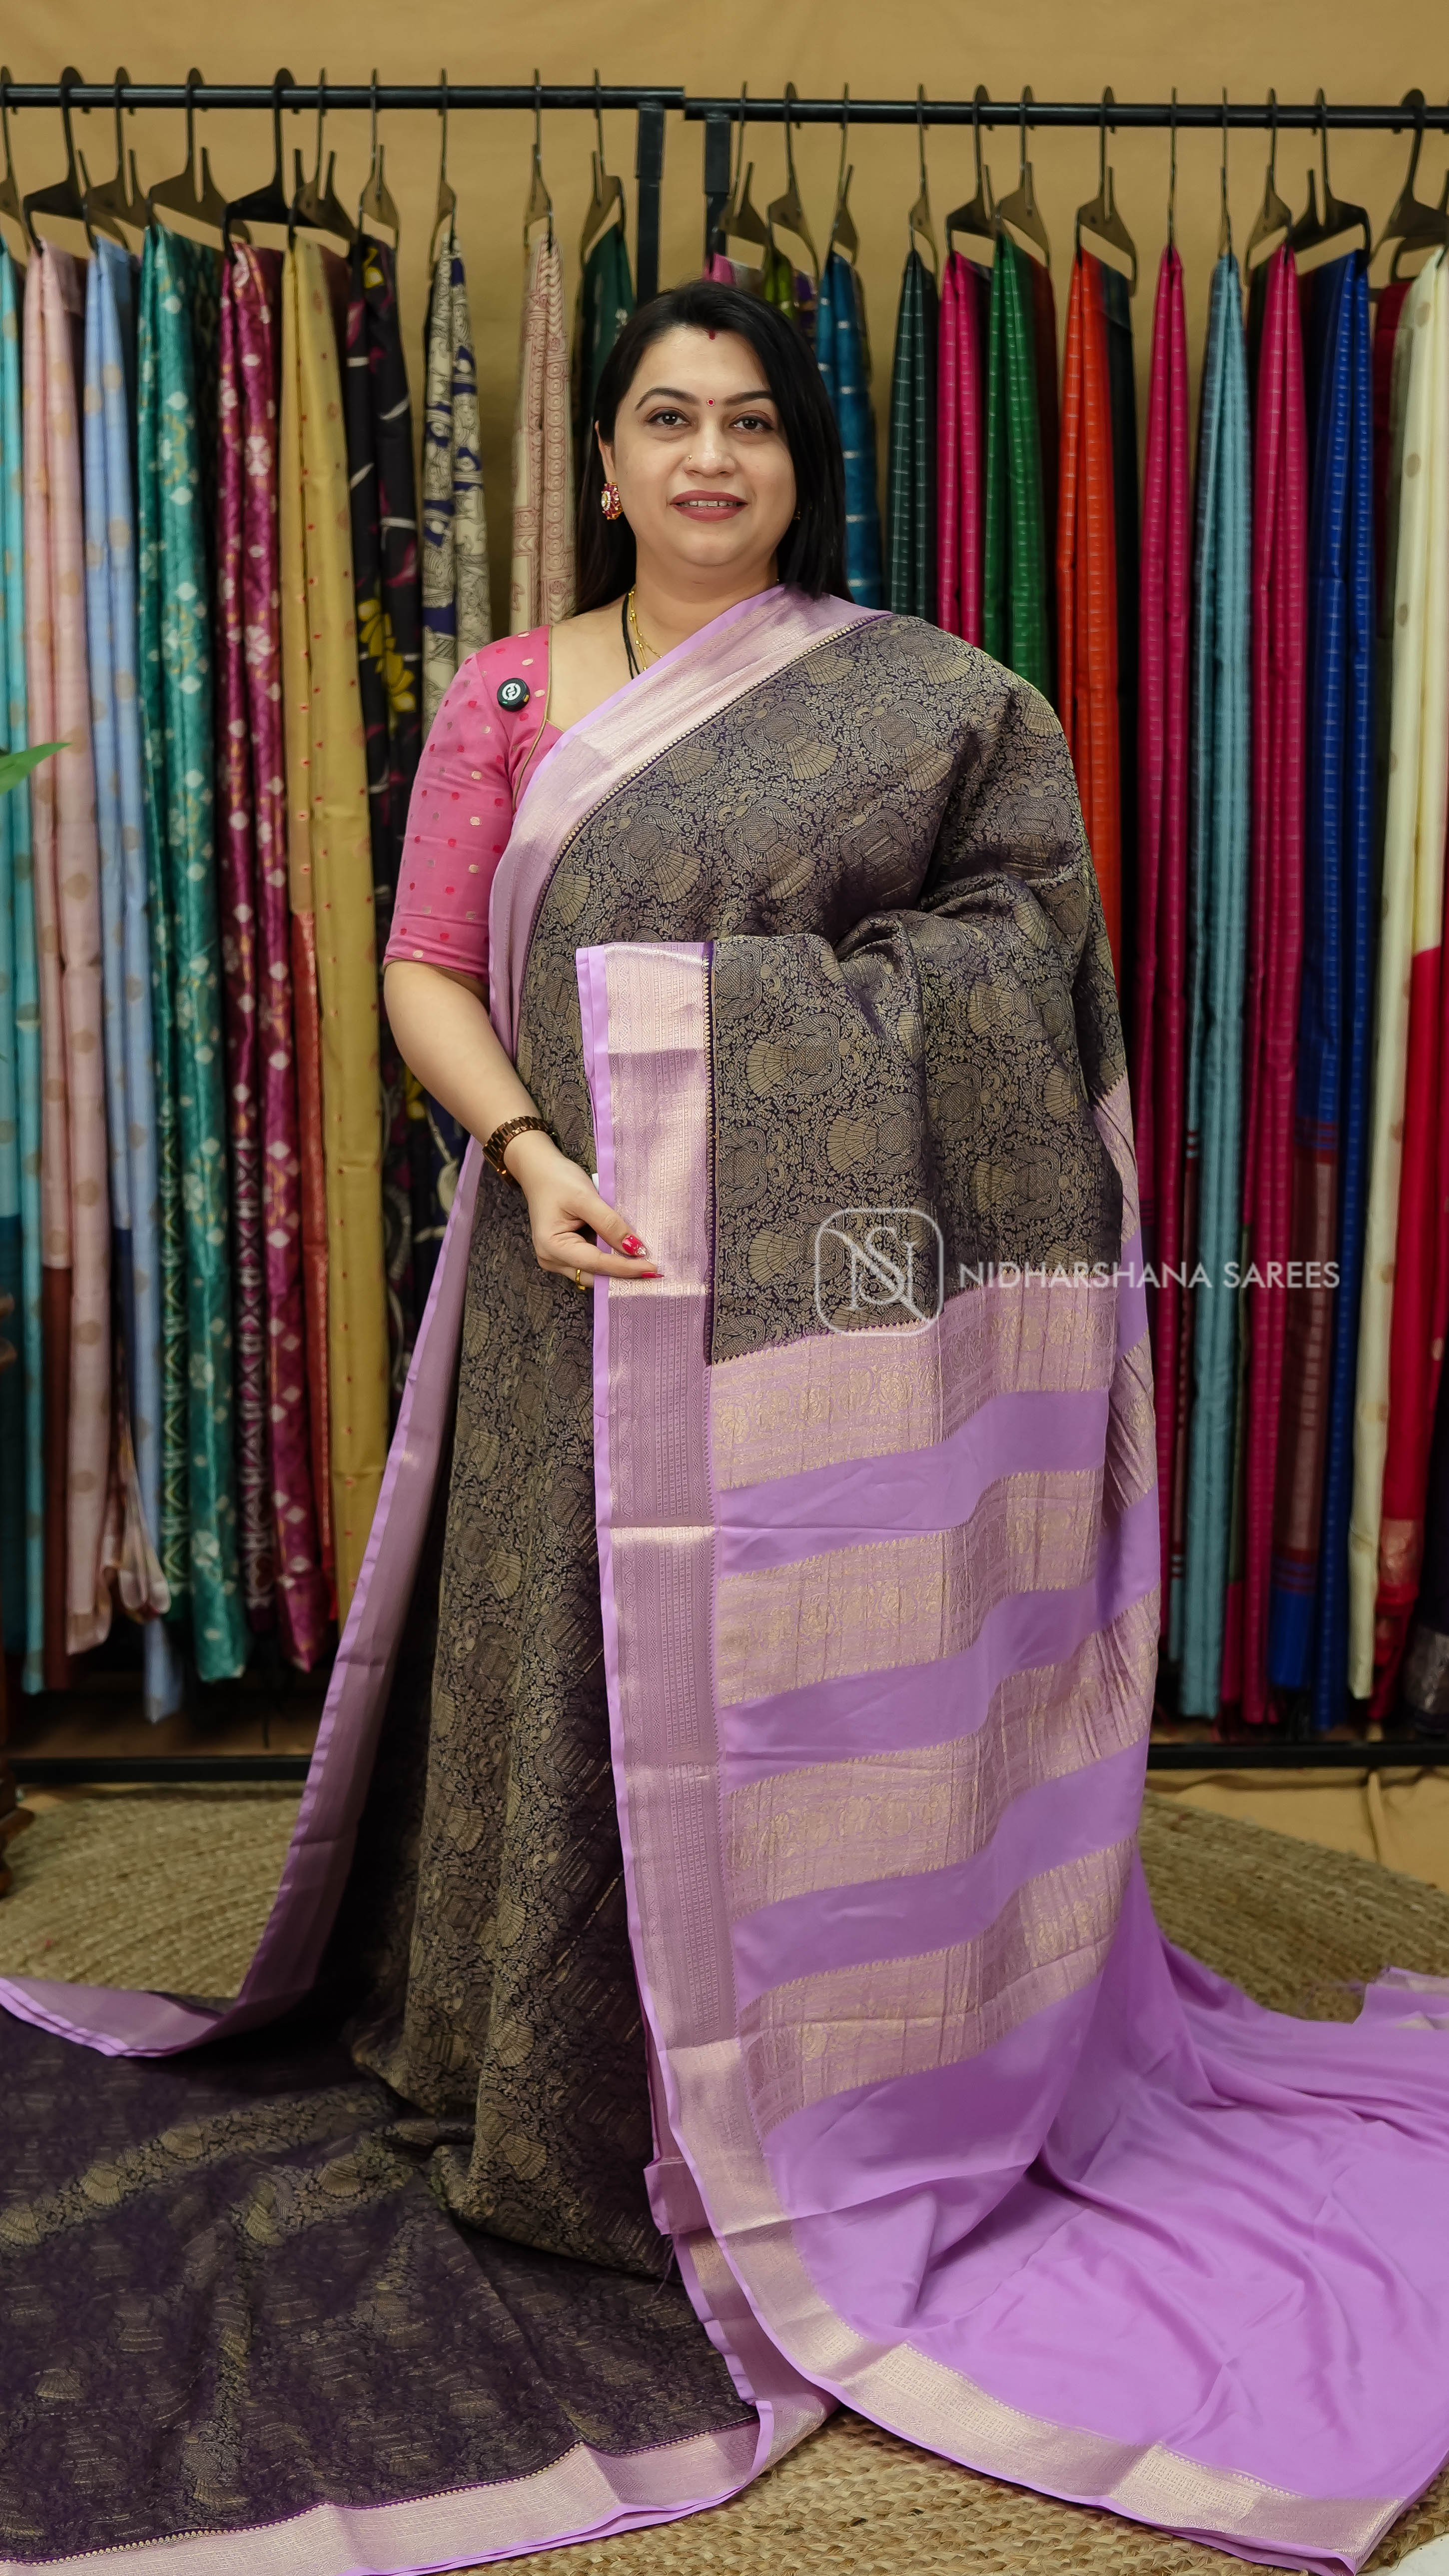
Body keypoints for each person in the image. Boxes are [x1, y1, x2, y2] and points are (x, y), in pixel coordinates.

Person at [3, 281, 1449, 2576]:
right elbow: (426, 960)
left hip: (806, 1318)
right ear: (601, 462)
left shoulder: (931, 701)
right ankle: (557, 2087)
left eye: (748, 422)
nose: (706, 457)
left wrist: (725, 1043)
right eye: (664, 418)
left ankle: (813, 2086)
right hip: (565, 1273)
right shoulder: (508, 696)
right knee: (568, 1686)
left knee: (788, 1693)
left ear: (795, 464)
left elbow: (1025, 963)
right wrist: (523, 1151)